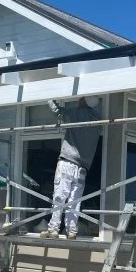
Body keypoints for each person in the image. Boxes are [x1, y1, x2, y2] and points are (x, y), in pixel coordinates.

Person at [40, 96, 101, 239]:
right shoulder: (97, 120)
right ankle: (71, 231)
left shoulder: (76, 113)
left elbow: (58, 112)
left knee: (59, 197)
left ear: (83, 102)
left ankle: (53, 229)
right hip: (82, 169)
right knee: (74, 201)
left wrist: (48, 97)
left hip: (67, 162)